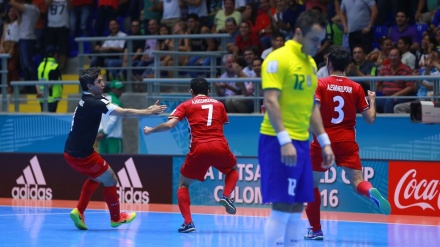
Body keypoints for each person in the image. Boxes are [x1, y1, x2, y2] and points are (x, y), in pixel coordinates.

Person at [258, 9, 335, 247]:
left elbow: (311, 105)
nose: (317, 46)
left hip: (301, 142)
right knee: (282, 204)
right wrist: (285, 140)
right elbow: (270, 101)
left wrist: (325, 142)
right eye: (314, 40)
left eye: (321, 42)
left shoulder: (310, 63)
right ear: (299, 33)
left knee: (298, 204)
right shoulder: (277, 59)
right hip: (277, 141)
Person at [304, 45, 391, 241]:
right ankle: (370, 192)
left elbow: (313, 112)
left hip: (323, 141)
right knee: (357, 182)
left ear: (329, 63)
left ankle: (316, 230)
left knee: (311, 185)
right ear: (348, 66)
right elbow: (370, 119)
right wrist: (372, 100)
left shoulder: (320, 84)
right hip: (347, 141)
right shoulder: (356, 87)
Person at [64, 67, 167, 230]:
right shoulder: (96, 102)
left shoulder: (85, 100)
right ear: (90, 86)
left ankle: (79, 212)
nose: (103, 84)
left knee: (97, 177)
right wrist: (148, 111)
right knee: (111, 178)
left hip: (70, 153)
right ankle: (116, 218)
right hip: (83, 155)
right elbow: (124, 113)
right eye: (99, 82)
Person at [143, 78, 238, 233]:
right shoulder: (219, 105)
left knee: (183, 185)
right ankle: (226, 196)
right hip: (220, 145)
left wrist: (150, 130)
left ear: (191, 92)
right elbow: (221, 129)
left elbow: (169, 125)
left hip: (198, 149)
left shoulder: (186, 105)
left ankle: (188, 223)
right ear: (208, 91)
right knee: (233, 169)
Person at [96, 80, 124, 154]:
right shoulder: (117, 102)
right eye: (118, 89)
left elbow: (98, 118)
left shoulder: (102, 100)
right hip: (114, 137)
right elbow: (113, 120)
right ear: (112, 89)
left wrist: (101, 131)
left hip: (103, 138)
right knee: (117, 163)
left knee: (103, 163)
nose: (121, 92)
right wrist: (104, 133)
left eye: (121, 89)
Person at [36, 46, 63, 113]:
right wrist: (44, 92)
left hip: (41, 97)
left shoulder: (40, 65)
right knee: (50, 119)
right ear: (55, 55)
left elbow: (37, 81)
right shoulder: (55, 66)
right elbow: (53, 81)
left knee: (44, 119)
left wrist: (39, 92)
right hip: (52, 97)